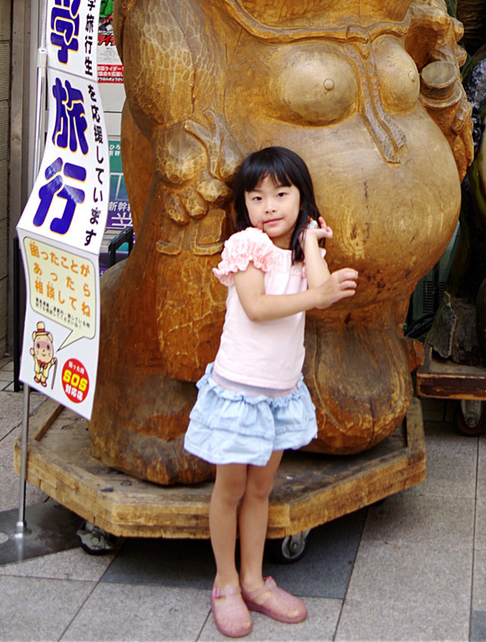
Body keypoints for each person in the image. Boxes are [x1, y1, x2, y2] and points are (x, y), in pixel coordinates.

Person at [184, 146, 358, 638]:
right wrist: (317, 293)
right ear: (245, 205)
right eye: (256, 197)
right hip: (239, 392)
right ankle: (224, 584)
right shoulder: (247, 247)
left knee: (260, 490)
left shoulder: (300, 250)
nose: (269, 207)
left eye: (281, 193)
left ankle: (254, 581)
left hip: (280, 393)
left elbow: (319, 292)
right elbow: (258, 308)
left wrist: (313, 246)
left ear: (301, 197)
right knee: (230, 489)